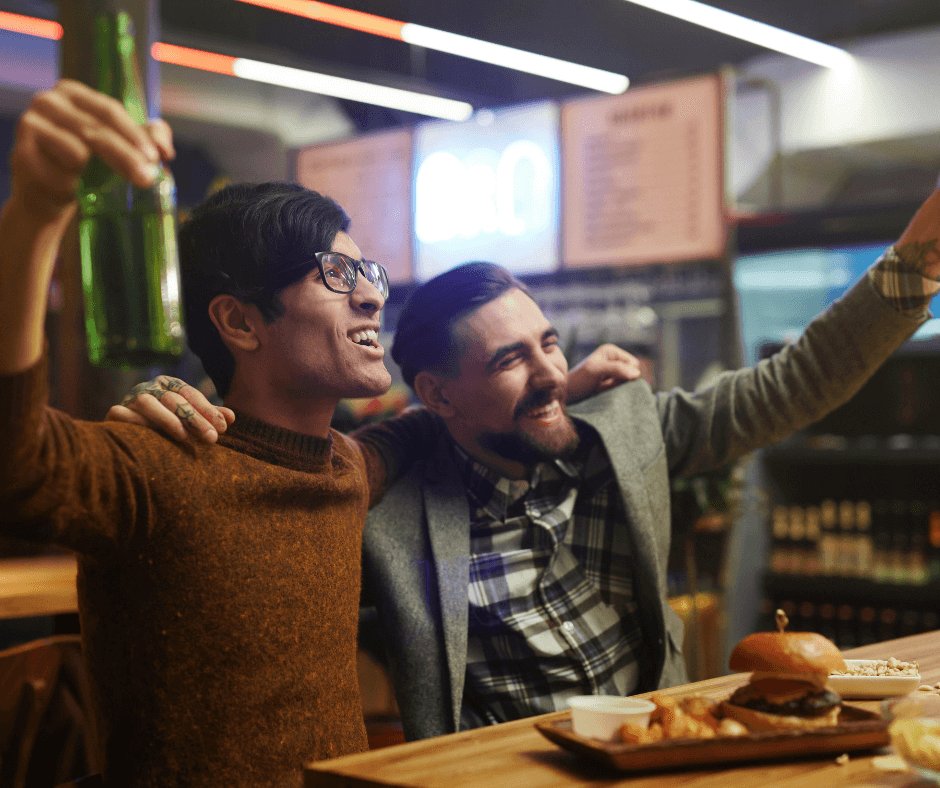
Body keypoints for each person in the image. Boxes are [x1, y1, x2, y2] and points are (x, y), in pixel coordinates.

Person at [114, 185, 940, 743]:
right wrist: (173, 396)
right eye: (511, 360)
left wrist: (918, 264)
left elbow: (794, 382)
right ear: (437, 396)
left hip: (669, 754)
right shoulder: (387, 502)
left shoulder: (621, 434)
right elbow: (272, 488)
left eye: (551, 344)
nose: (551, 372)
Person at [0, 79, 444, 786]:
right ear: (239, 322)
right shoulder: (160, 464)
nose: (371, 293)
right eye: (335, 272)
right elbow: (18, 463)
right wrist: (33, 217)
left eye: (366, 270)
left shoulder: (344, 469)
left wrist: (546, 388)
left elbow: (424, 429)